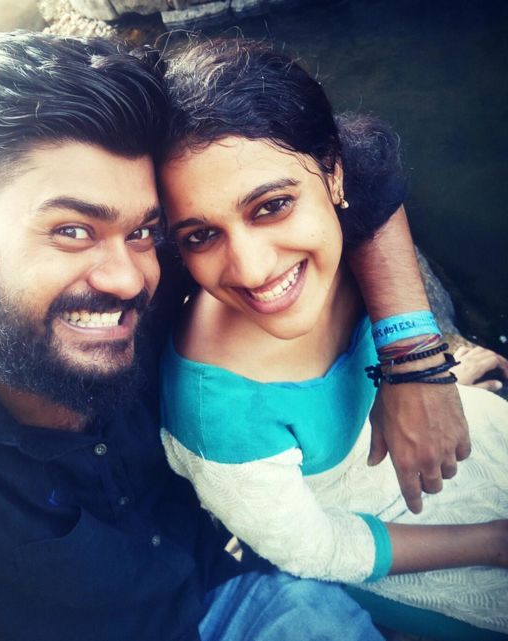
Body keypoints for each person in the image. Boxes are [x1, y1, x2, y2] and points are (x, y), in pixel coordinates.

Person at [0, 29, 474, 640]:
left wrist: (413, 357)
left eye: (142, 232)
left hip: (238, 592)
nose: (127, 279)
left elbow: (358, 165)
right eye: (72, 230)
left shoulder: (167, 274)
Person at [157, 39, 508, 640]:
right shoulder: (218, 408)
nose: (252, 268)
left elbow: (375, 171)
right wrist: (495, 543)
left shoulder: (351, 230)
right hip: (391, 549)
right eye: (200, 235)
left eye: (272, 206)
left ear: (334, 172)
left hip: (457, 444)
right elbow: (313, 548)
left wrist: (415, 361)